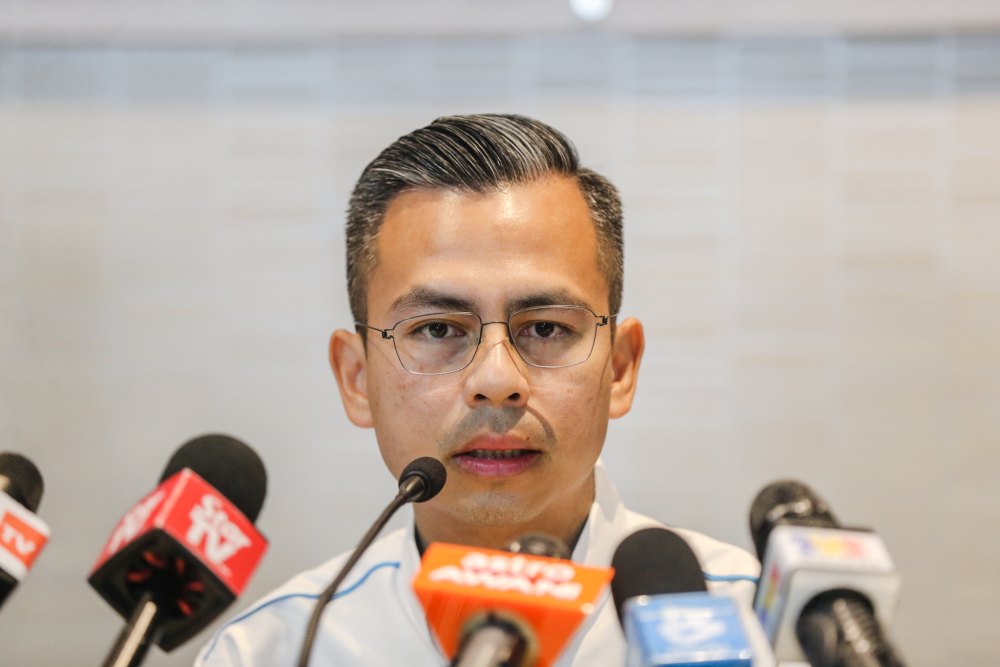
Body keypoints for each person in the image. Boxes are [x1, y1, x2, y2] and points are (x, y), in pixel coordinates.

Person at [195, 113, 759, 666]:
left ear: (619, 368)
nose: (497, 382)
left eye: (545, 328)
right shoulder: (277, 649)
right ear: (357, 378)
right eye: (437, 330)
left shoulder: (765, 630)